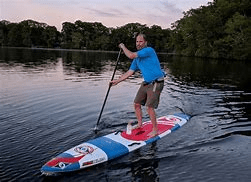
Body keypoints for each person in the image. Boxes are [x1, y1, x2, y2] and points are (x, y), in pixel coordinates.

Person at [110, 33, 165, 137]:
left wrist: (123, 47)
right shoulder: (137, 59)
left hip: (157, 82)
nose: (138, 44)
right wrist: (117, 81)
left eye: (141, 41)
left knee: (149, 107)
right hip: (147, 82)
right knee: (136, 104)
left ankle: (155, 130)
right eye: (137, 42)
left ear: (145, 42)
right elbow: (129, 72)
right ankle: (140, 124)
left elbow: (130, 55)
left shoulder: (149, 50)